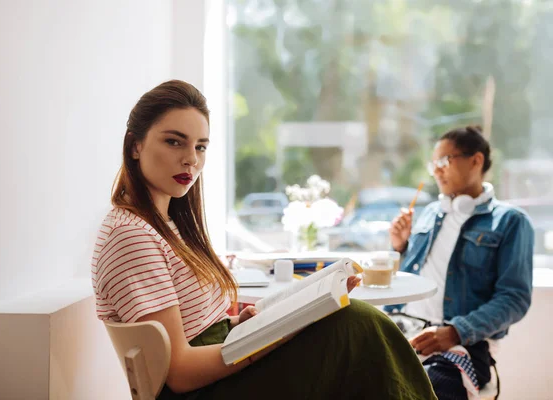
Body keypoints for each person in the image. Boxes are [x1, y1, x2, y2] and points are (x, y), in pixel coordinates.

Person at [91, 79, 436, 400]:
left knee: (353, 323)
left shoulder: (167, 223)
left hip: (224, 363)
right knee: (356, 327)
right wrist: (275, 335)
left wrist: (243, 329)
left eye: (201, 146)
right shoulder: (131, 235)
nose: (191, 159)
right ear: (135, 146)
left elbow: (199, 328)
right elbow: (179, 372)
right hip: (203, 390)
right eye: (174, 141)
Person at [387, 126, 534, 399]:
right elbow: (413, 275)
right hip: (402, 326)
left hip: (461, 341)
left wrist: (455, 332)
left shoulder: (511, 222)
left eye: (445, 161)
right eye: (434, 164)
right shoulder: (432, 212)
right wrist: (401, 246)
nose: (437, 171)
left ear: (476, 160)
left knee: (432, 386)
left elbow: (514, 298)